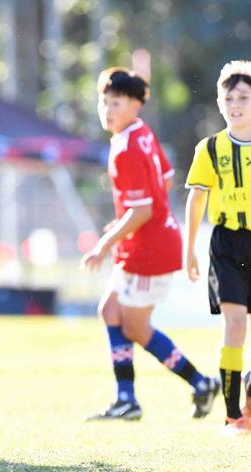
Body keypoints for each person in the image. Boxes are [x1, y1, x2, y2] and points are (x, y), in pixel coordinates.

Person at [81, 68, 219, 421]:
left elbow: (141, 210)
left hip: (149, 250)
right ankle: (126, 398)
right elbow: (167, 179)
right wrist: (133, 220)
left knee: (136, 328)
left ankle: (200, 381)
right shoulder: (140, 133)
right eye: (104, 102)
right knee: (110, 311)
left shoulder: (127, 146)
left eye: (116, 103)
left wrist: (104, 243)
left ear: (136, 106)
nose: (107, 110)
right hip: (145, 242)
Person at [184, 60, 251, 434]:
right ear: (219, 102)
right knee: (235, 326)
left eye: (244, 97)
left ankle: (249, 398)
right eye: (230, 97)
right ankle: (232, 416)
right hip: (226, 244)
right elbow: (196, 200)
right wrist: (189, 249)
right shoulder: (209, 148)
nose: (236, 104)